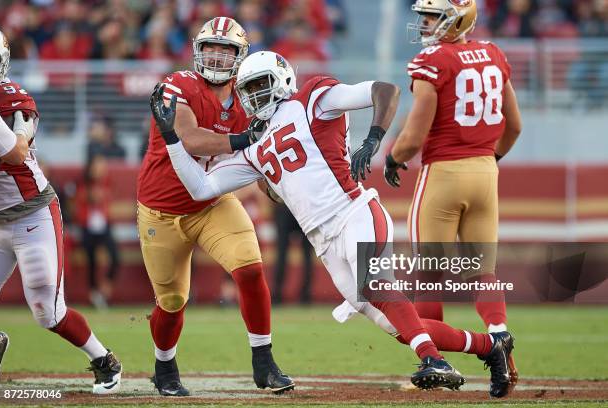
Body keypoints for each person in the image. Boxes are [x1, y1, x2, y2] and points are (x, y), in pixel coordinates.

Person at [150, 50, 515, 395]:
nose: (254, 96)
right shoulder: (253, 145)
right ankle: (489, 346)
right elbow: (201, 188)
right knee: (398, 326)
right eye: (247, 90)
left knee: (374, 286)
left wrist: (373, 139)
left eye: (261, 84)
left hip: (355, 213)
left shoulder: (312, 98)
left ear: (281, 78)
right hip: (323, 242)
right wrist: (172, 140)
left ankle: (433, 360)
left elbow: (382, 90)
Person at [136, 17, 293, 396]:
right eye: (211, 48)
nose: (218, 57)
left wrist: (275, 183)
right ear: (197, 50)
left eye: (227, 50)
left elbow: (256, 157)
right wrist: (244, 138)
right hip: (162, 209)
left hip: (212, 203)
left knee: (251, 270)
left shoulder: (246, 96)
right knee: (172, 302)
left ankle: (263, 362)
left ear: (240, 57)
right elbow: (190, 139)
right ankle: (164, 366)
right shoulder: (178, 84)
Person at [381, 0, 522, 397]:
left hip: (444, 175)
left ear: (457, 17)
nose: (424, 24)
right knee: (483, 272)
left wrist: (393, 157)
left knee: (428, 275)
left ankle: (437, 364)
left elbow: (415, 134)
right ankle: (500, 336)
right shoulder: (493, 53)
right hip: (485, 173)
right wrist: (487, 159)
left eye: (432, 16)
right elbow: (514, 126)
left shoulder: (433, 61)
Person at [0, 28, 121, 393]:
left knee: (47, 311)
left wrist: (18, 135)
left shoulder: (9, 99)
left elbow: (17, 152)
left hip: (31, 213)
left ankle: (104, 361)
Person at [75, 154, 120, 309]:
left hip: (104, 226)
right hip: (87, 227)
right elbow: (79, 200)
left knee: (115, 256)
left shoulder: (107, 181)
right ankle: (94, 294)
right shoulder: (82, 182)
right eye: (97, 165)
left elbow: (107, 198)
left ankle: (105, 286)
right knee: (91, 260)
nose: (100, 169)